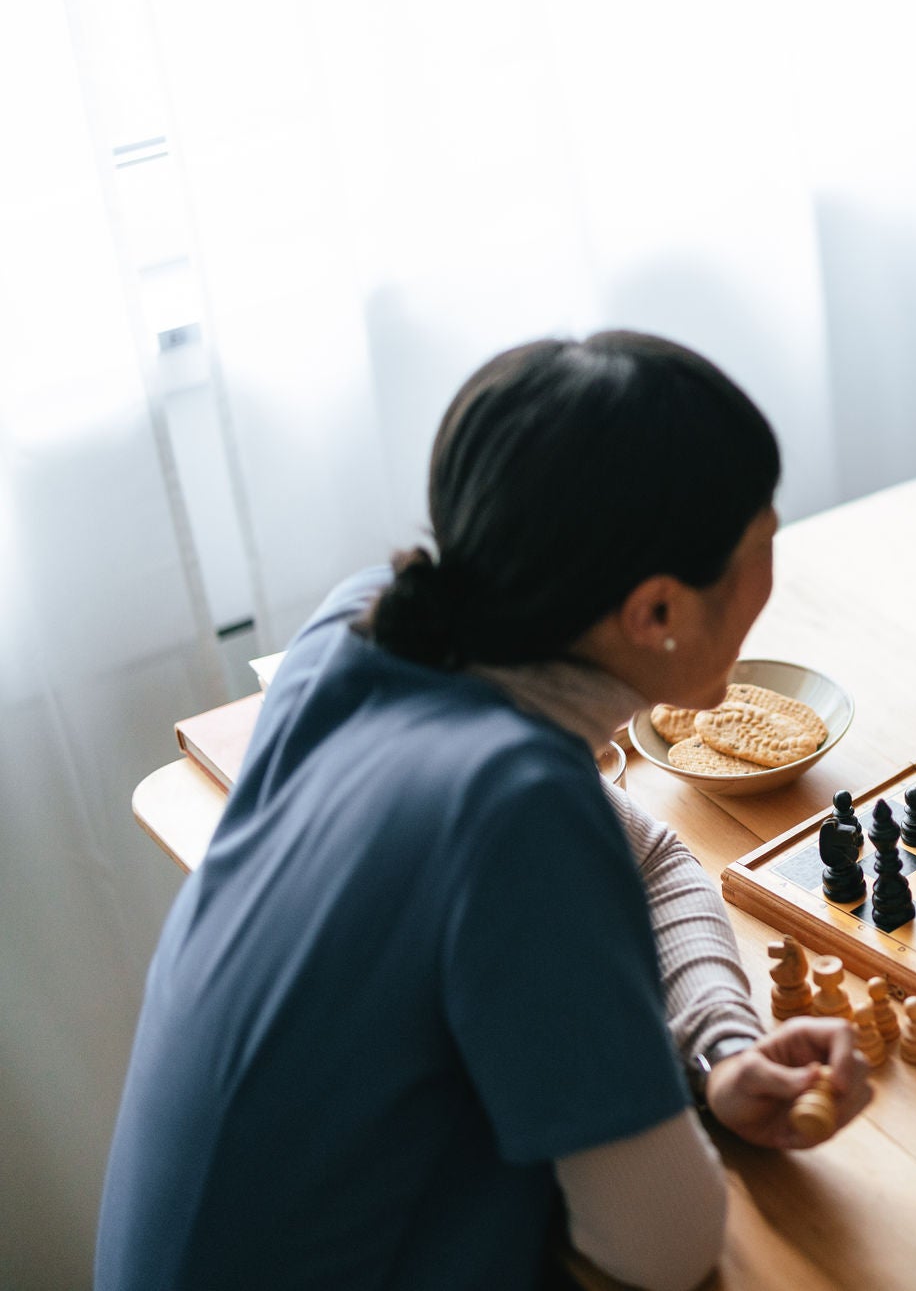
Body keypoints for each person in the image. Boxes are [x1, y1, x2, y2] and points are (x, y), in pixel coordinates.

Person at [97, 332, 870, 1290]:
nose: (770, 564)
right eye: (762, 541)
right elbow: (665, 1248)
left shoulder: (363, 625)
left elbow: (655, 860)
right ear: (658, 611)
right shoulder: (518, 807)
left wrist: (720, 1044)